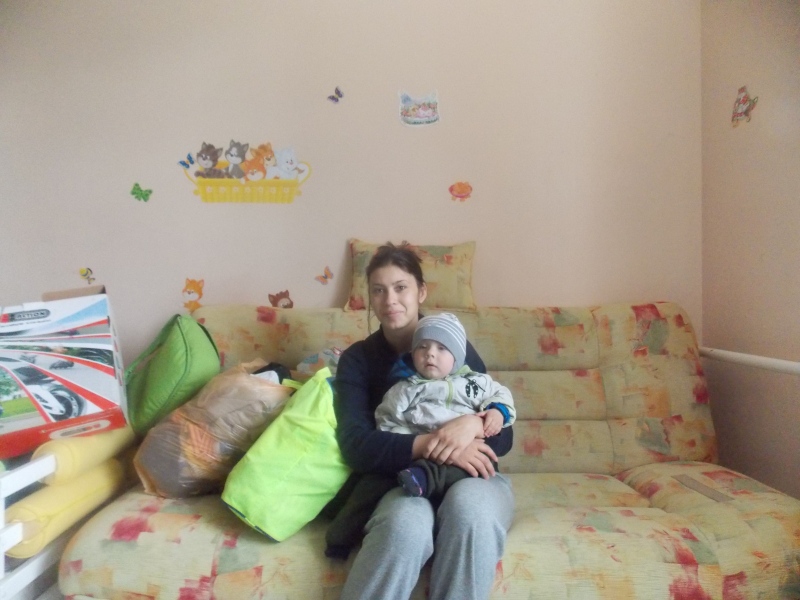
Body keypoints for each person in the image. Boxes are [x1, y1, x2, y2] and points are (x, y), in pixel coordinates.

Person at [332, 242, 514, 600]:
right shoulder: (358, 360)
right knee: (405, 526)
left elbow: (504, 435)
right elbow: (355, 444)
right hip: (399, 482)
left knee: (471, 512)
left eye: (400, 287)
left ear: (421, 292)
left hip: (472, 477)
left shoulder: (453, 345)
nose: (390, 300)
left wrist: (475, 425)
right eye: (378, 290)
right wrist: (434, 444)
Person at [375, 312, 516, 500]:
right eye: (422, 346)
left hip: (472, 454)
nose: (430, 353)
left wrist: (497, 412)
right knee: (419, 467)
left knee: (482, 461)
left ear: (457, 357)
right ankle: (422, 478)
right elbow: (387, 423)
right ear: (413, 354)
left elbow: (501, 394)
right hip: (427, 455)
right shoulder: (404, 389)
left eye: (442, 348)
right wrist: (419, 441)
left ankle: (425, 479)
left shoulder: (476, 381)